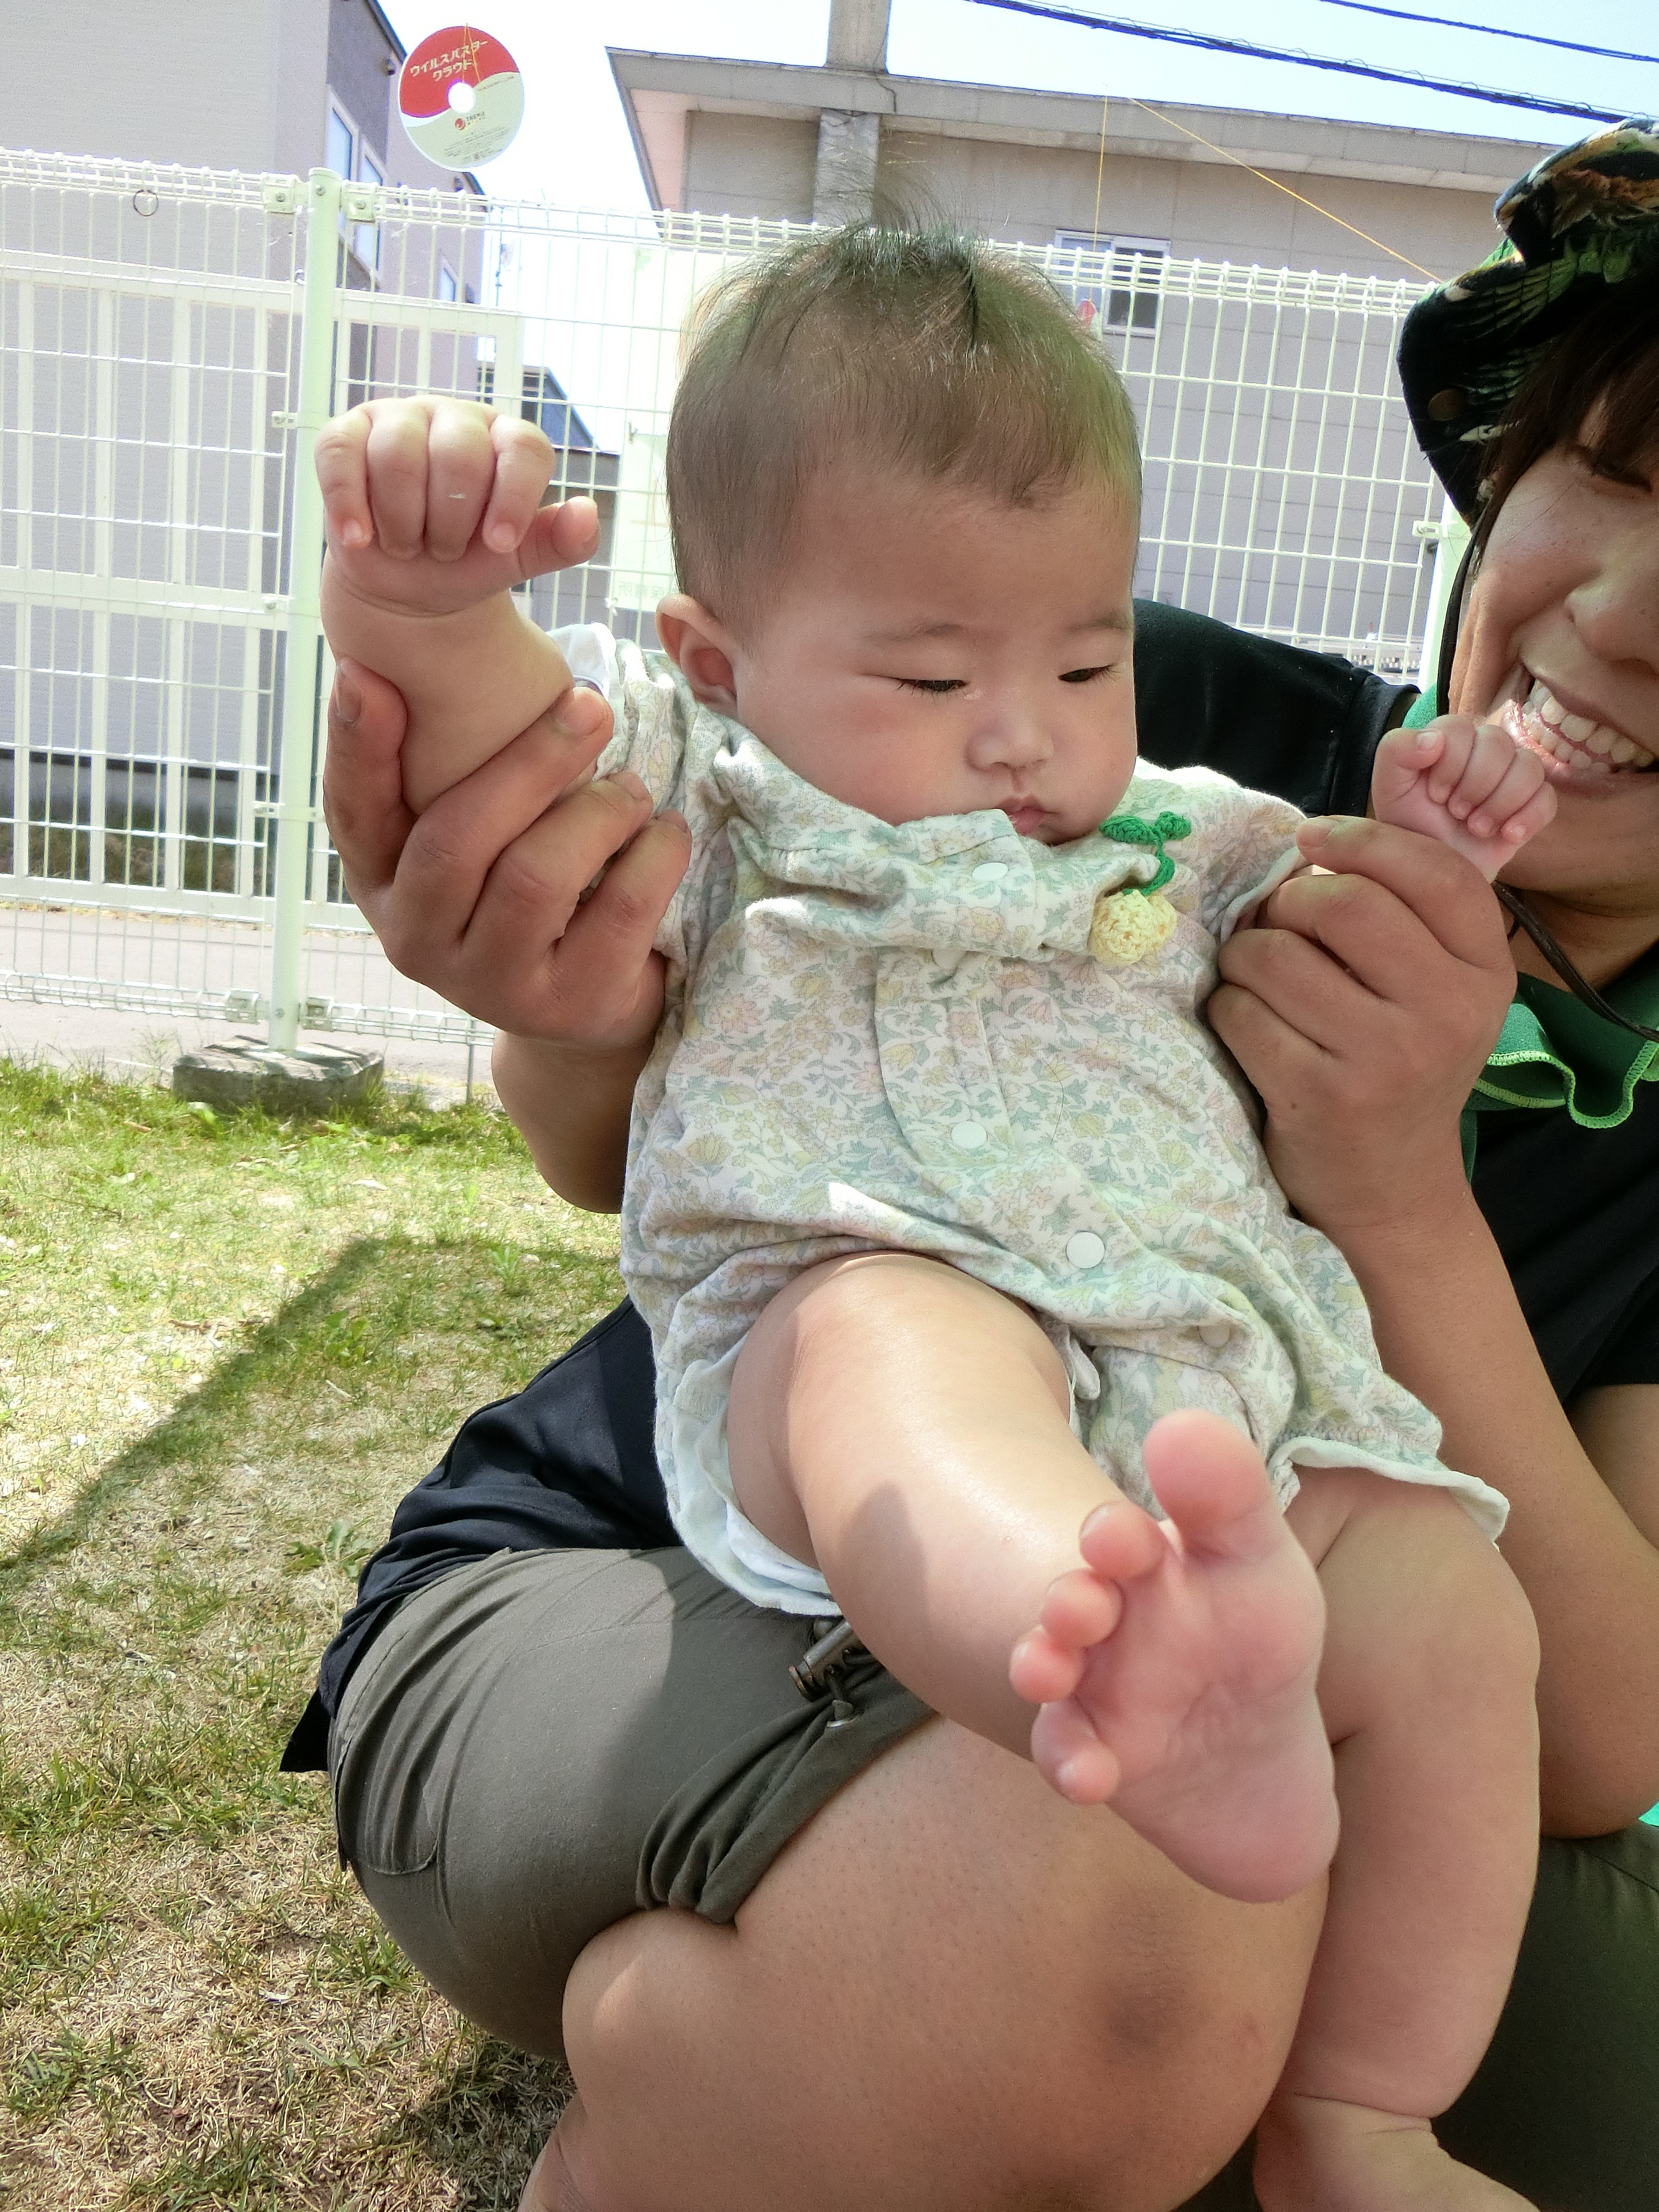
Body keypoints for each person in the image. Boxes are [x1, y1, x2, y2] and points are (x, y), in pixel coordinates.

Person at [284, 123, 1659, 2212]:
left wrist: (1397, 1164)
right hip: (705, 1500)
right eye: (1620, 477)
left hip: (1229, 1434)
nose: (1022, 730)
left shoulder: (1129, 765)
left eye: (1080, 670)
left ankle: (1345, 2114)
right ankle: (1047, 1683)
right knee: (941, 1432)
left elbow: (1608, 1738)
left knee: (1468, 1665)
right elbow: (566, 855)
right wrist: (430, 624)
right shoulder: (965, 704)